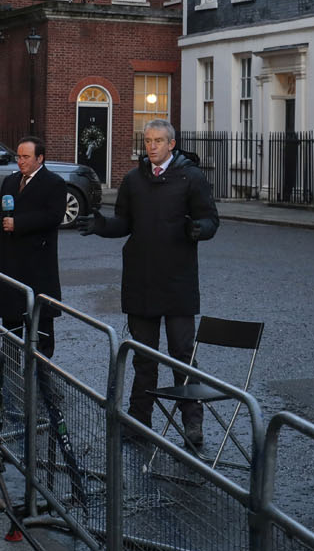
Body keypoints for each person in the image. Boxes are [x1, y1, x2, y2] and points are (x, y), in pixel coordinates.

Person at [79, 119, 219, 450]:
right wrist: (100, 225)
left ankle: (192, 424)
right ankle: (138, 422)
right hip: (140, 279)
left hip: (178, 280)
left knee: (182, 354)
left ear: (172, 144)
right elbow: (124, 223)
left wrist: (200, 228)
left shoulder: (191, 178)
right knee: (143, 356)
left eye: (158, 141)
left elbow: (211, 219)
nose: (151, 146)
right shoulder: (133, 179)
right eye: (147, 141)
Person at [0, 136, 64, 359]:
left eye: (26, 157)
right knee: (11, 323)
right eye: (18, 156)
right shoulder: (10, 182)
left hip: (37, 264)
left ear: (40, 158)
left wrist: (19, 223)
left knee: (41, 324)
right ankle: (11, 374)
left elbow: (53, 216)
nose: (20, 161)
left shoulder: (54, 183)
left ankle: (43, 375)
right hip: (10, 261)